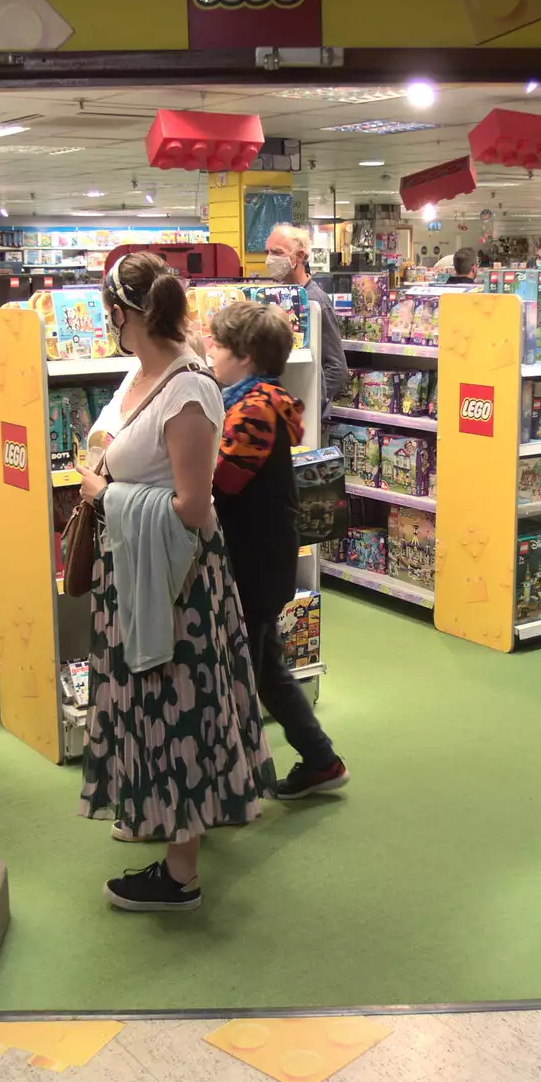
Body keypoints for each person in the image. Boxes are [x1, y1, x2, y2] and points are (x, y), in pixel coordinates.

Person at [76, 252, 276, 912]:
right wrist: (104, 467)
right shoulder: (144, 374)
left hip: (174, 581)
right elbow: (106, 433)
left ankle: (181, 874)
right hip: (138, 569)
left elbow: (193, 505)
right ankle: (163, 820)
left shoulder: (187, 388)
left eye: (113, 317)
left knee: (175, 707)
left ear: (127, 315)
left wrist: (106, 495)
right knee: (146, 703)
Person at [205, 300, 349, 800]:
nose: (210, 350)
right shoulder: (258, 400)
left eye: (218, 344)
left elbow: (220, 482)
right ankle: (319, 758)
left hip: (254, 561)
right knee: (263, 665)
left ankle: (241, 775)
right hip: (261, 556)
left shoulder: (251, 411)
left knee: (245, 667)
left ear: (245, 355)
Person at [264, 224, 347, 414]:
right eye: (267, 252)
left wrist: (305, 404)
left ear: (299, 256)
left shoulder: (315, 302)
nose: (269, 259)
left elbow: (337, 369)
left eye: (277, 252)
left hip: (304, 419)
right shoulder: (274, 296)